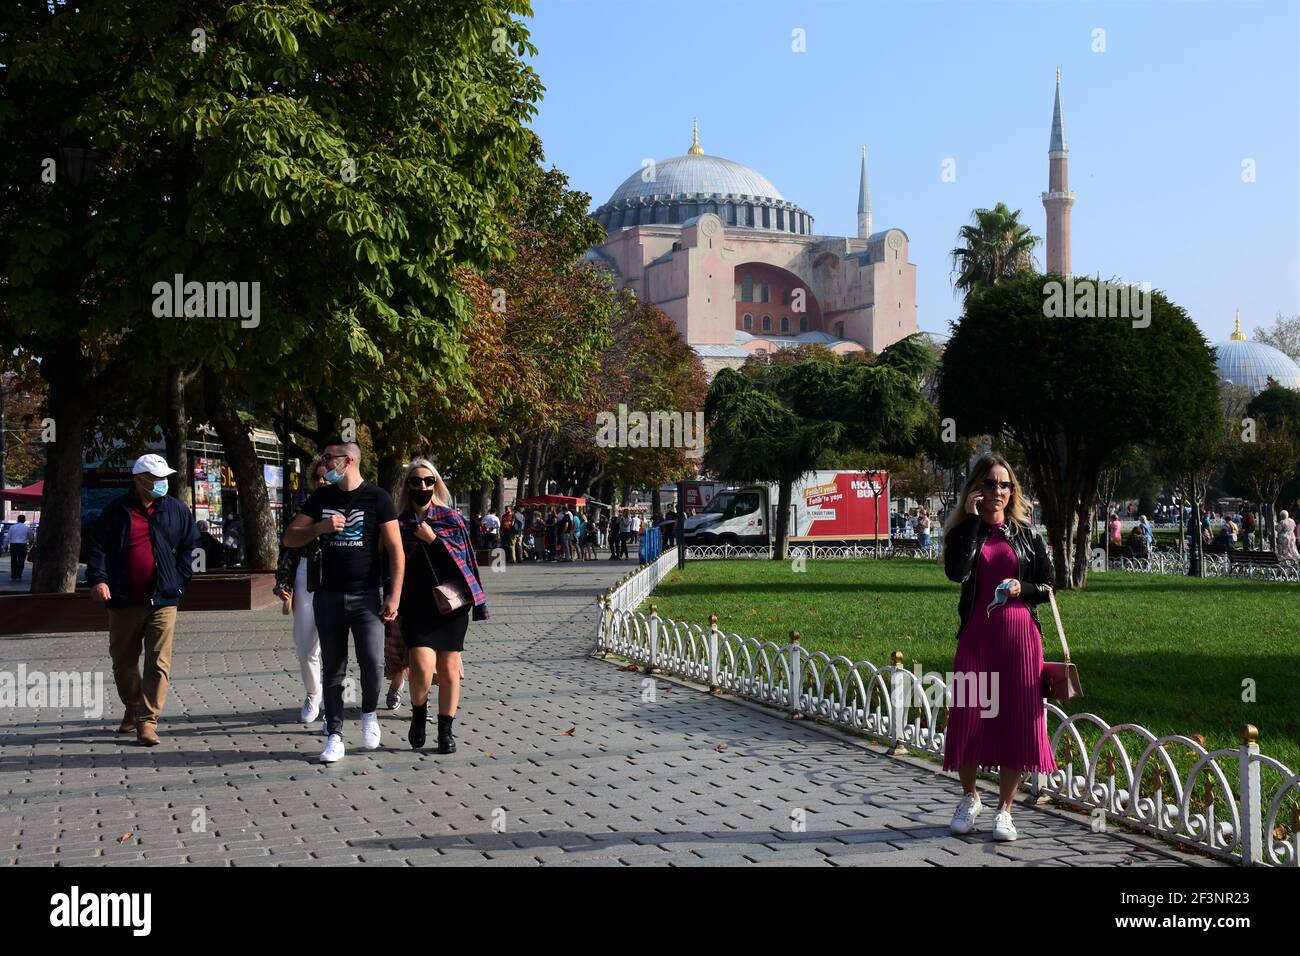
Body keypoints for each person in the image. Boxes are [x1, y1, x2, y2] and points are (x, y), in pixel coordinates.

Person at [940, 453, 1057, 842]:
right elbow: (958, 572)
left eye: (1005, 485)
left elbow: (1048, 585)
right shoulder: (961, 532)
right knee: (969, 715)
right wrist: (973, 522)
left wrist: (1023, 588)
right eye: (990, 483)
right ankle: (969, 798)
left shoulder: (1026, 534)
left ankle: (1005, 810)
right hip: (977, 636)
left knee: (1017, 721)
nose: (998, 492)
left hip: (1021, 640)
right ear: (976, 487)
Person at [283, 438, 404, 764]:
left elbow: (396, 550)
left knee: (372, 661)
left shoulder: (378, 498)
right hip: (328, 594)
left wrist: (394, 595)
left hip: (367, 595)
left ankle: (368, 714)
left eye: (328, 457)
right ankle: (334, 735)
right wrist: (320, 527)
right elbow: (290, 537)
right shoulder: (321, 497)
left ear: (348, 460)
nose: (324, 462)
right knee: (333, 667)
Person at [85, 454, 198, 747]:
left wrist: (181, 580)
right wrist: (98, 579)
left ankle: (148, 721)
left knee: (159, 661)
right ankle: (132, 707)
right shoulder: (115, 511)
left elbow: (191, 545)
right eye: (156, 478)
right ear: (138, 479)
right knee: (123, 661)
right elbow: (97, 547)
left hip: (164, 599)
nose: (162, 483)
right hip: (123, 600)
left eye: (164, 478)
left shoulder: (176, 510)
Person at [394, 459, 489, 753]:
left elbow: (464, 566)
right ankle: (419, 714)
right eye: (416, 481)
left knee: (448, 669)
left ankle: (446, 731)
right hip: (415, 605)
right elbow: (389, 566)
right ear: (407, 486)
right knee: (421, 667)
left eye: (428, 481)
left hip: (450, 605)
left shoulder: (451, 519)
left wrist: (434, 540)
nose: (422, 486)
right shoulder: (398, 524)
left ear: (436, 484)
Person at [273, 457, 330, 723]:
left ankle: (334, 698)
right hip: (307, 575)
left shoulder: (348, 503)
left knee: (334, 646)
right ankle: (313, 694)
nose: (322, 481)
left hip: (336, 577)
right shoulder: (302, 506)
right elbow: (288, 547)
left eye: (327, 476)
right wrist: (284, 583)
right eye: (318, 477)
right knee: (305, 645)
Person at [8, 515, 31, 580]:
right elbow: (31, 538)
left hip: (13, 545)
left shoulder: (12, 527)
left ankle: (13, 575)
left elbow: (8, 537)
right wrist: (30, 545)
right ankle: (18, 574)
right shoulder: (27, 528)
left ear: (17, 520)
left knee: (13, 560)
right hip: (22, 545)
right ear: (24, 520)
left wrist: (5, 545)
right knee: (21, 561)